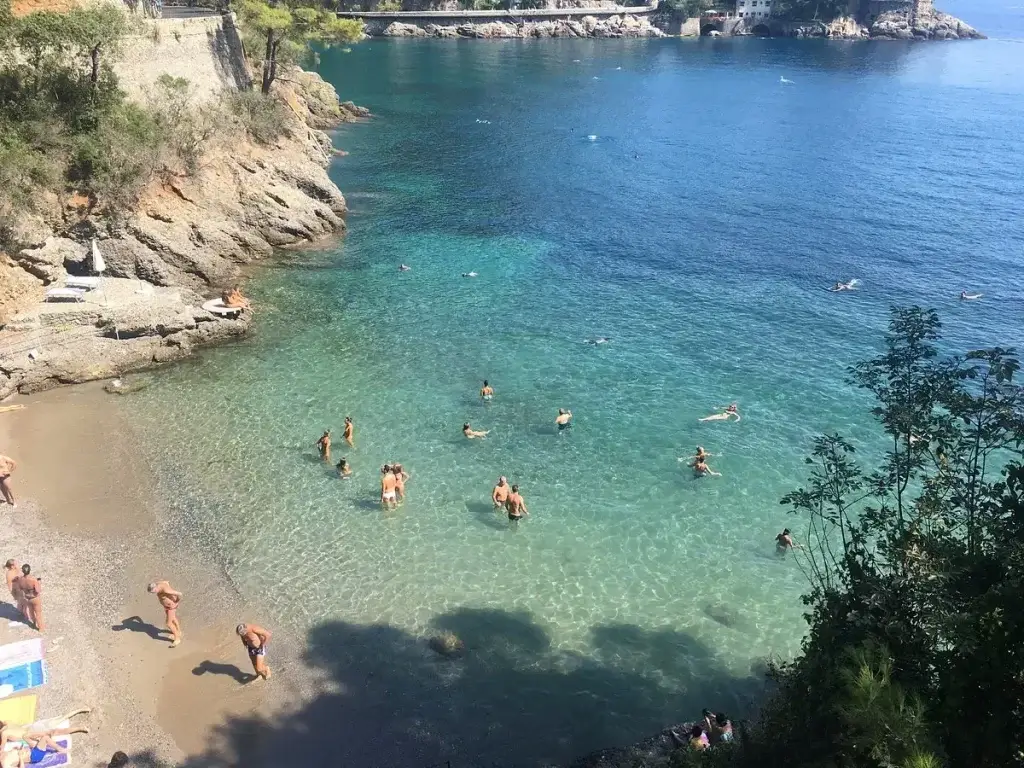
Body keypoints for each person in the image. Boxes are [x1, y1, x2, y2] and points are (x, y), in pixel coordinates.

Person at [0, 708, 91, 755]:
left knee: (58, 732)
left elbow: (2, 748)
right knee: (60, 720)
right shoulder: (8, 722)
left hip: (30, 736)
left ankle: (80, 728)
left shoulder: (4, 733)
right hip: (31, 728)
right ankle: (80, 710)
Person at [147, 580, 183, 647]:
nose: (153, 593)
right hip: (167, 606)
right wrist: (167, 583)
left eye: (153, 592)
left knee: (169, 623)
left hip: (171, 607)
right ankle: (179, 632)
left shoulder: (166, 590)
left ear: (155, 588)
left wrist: (177, 600)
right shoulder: (158, 583)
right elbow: (166, 581)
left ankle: (177, 639)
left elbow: (178, 593)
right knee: (173, 618)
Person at [14, 564, 42, 632]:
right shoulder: (33, 579)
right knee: (38, 613)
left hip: (28, 598)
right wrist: (39, 582)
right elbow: (38, 590)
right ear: (30, 570)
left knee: (31, 612)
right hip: (35, 598)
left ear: (23, 571)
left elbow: (20, 588)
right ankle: (41, 628)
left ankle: (33, 623)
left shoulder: (21, 580)